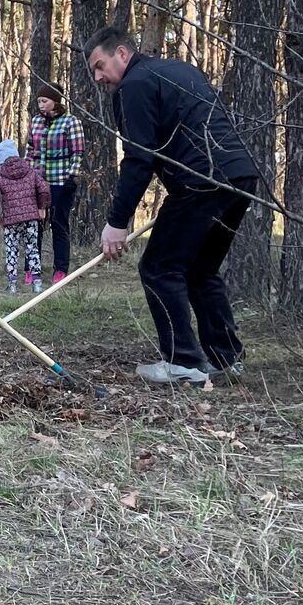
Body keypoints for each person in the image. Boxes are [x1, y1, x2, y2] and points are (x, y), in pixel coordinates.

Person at [84, 26, 260, 385]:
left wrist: (117, 221)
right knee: (199, 270)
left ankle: (183, 363)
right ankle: (226, 359)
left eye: (100, 66)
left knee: (159, 268)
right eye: (95, 73)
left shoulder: (133, 86)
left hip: (202, 181)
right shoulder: (178, 70)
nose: (100, 78)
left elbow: (138, 158)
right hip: (240, 177)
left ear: (121, 53)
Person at [26, 84, 84, 282]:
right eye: (39, 102)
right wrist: (27, 176)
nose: (41, 105)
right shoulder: (35, 122)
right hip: (39, 182)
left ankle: (60, 269)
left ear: (56, 101)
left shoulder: (71, 122)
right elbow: (30, 150)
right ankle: (32, 269)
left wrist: (72, 176)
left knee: (59, 223)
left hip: (61, 181)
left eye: (45, 101)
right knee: (35, 225)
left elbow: (77, 152)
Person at [0, 137, 52, 294]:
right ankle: (37, 283)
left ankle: (12, 284)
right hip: (31, 219)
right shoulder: (30, 172)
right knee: (32, 249)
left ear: (1, 159)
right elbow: (44, 189)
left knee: (11, 250)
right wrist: (41, 207)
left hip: (11, 221)